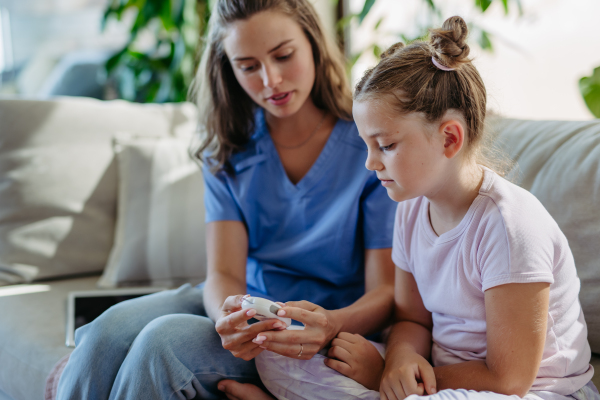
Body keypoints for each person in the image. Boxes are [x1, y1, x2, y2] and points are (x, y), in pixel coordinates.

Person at [55, 1, 397, 399]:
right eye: (248, 66)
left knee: (162, 344)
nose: (271, 80)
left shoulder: (369, 147)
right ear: (229, 69)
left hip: (321, 322)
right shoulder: (229, 149)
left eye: (283, 56)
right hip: (244, 307)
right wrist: (227, 318)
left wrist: (332, 323)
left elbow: (387, 291)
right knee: (103, 333)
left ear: (314, 44)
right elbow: (223, 273)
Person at [253, 15, 599, 400]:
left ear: (449, 138)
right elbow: (410, 318)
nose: (370, 163)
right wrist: (400, 358)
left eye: (385, 145)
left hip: (534, 392)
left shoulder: (509, 225)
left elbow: (508, 380)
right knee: (276, 359)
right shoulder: (410, 209)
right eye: (367, 146)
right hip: (437, 377)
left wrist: (382, 374)